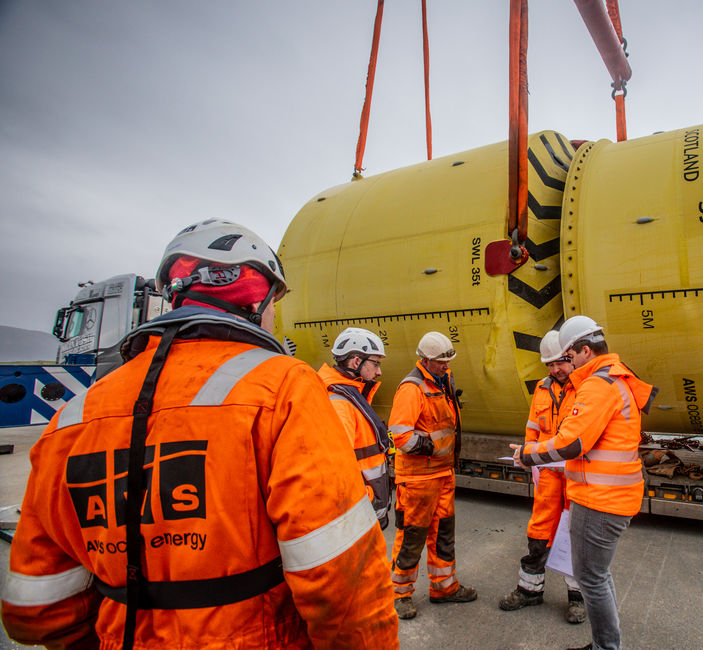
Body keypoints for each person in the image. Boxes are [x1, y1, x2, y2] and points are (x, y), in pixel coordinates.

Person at [1, 218, 398, 649]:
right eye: (272, 302)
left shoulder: (73, 418)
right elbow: (341, 578)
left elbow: (34, 607)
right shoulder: (284, 388)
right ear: (255, 297)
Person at [511, 315, 656, 650]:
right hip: (606, 495)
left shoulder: (596, 385)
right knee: (596, 576)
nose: (568, 364)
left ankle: (606, 647)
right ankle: (603, 644)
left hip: (600, 499)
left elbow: (572, 443)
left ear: (585, 351)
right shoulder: (613, 379)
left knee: (591, 578)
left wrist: (527, 454)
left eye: (570, 356)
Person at [388, 331, 476, 620]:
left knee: (443, 534)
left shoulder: (442, 381)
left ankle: (444, 587)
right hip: (417, 480)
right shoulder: (412, 389)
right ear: (425, 360)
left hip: (442, 474)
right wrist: (433, 448)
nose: (446, 366)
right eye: (440, 362)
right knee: (412, 536)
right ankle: (400, 594)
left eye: (448, 361)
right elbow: (400, 435)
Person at [499, 331, 586, 624]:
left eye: (559, 362)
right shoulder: (542, 388)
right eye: (549, 365)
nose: (554, 370)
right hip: (548, 475)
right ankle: (529, 590)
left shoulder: (588, 387)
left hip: (576, 475)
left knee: (575, 534)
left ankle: (579, 598)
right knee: (539, 531)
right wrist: (524, 453)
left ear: (571, 356)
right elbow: (533, 427)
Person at [318, 327, 392, 528]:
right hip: (356, 514)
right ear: (356, 362)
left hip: (360, 512)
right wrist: (367, 499)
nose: (379, 371)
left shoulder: (349, 396)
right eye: (375, 363)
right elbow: (336, 470)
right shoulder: (340, 404)